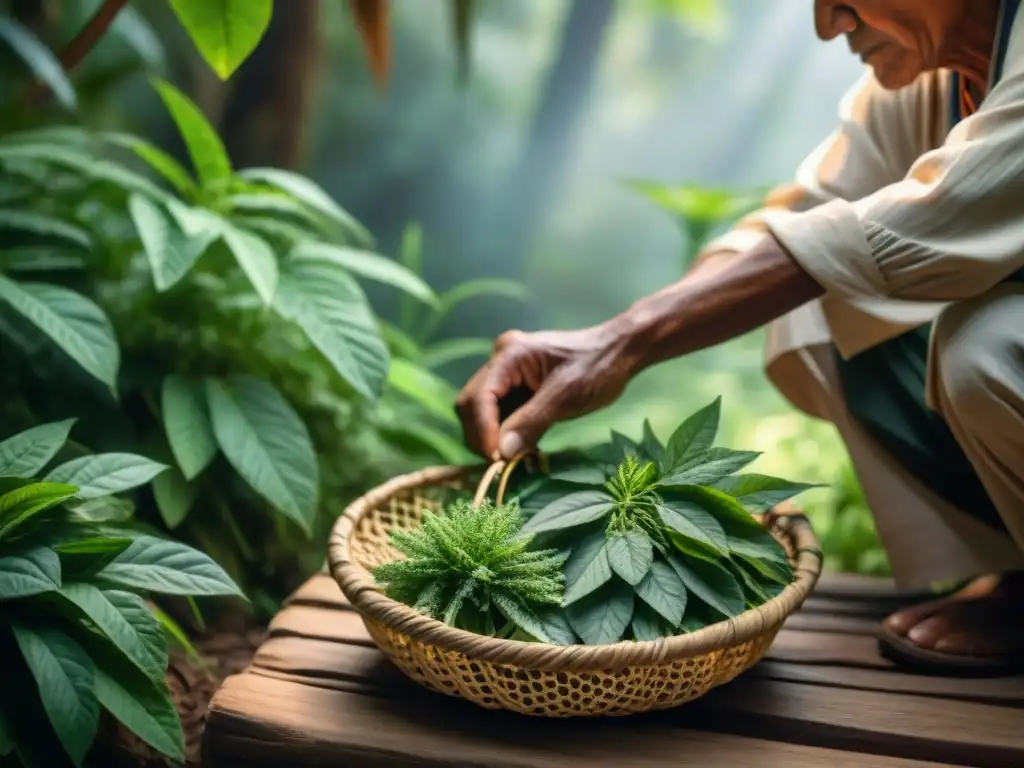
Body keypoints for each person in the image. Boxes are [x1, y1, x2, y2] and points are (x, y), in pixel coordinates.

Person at [456, 0, 1024, 677]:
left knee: (982, 348)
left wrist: (622, 345)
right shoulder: (933, 84)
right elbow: (799, 219)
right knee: (805, 301)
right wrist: (601, 339)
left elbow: (923, 215)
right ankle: (1013, 568)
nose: (829, 22)